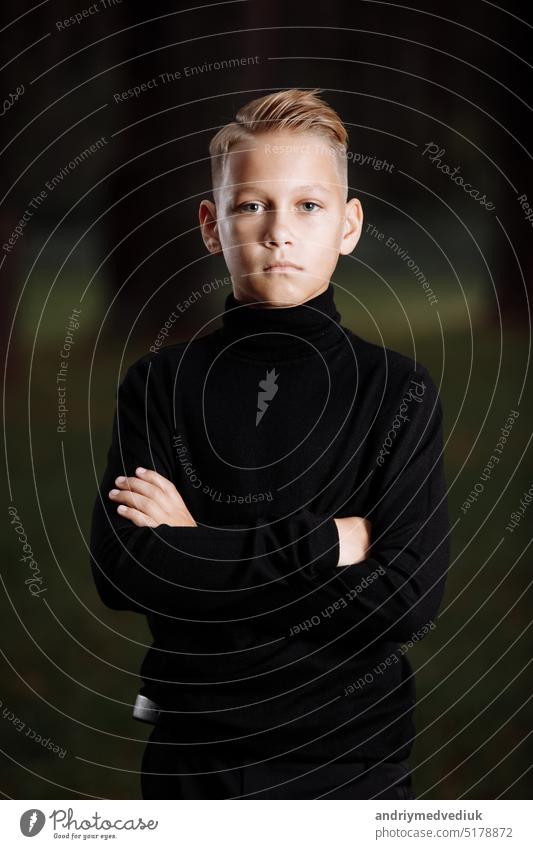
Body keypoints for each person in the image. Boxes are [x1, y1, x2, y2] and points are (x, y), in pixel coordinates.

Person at [89, 88, 450, 799]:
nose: (278, 231)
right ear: (210, 225)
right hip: (196, 761)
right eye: (251, 205)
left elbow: (407, 598)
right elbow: (126, 570)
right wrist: (330, 546)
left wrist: (195, 541)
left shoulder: (397, 390)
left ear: (348, 226)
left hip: (353, 764)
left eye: (308, 206)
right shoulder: (160, 384)